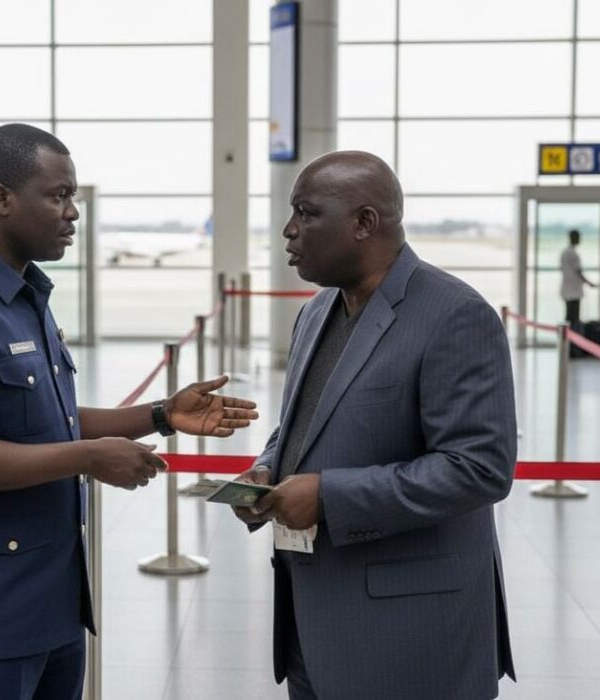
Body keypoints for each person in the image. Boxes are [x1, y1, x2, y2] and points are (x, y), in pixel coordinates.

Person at [0, 123, 260, 700]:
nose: (72, 213)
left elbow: (46, 420)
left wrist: (161, 414)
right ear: (1, 198)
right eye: (57, 195)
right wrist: (88, 458)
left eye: (73, 197)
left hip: (49, 604)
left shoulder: (22, 295)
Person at [232, 151, 516, 699]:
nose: (289, 231)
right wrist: (269, 469)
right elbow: (307, 423)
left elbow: (479, 470)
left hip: (409, 634)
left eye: (306, 214)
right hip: (311, 626)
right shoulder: (318, 311)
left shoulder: (454, 314)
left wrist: (328, 497)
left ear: (365, 223)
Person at [560, 228, 596, 325]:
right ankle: (572, 337)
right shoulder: (573, 253)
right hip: (573, 290)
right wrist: (589, 283)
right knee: (573, 317)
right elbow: (578, 271)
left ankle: (569, 337)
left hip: (568, 288)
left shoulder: (565, 252)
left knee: (569, 315)